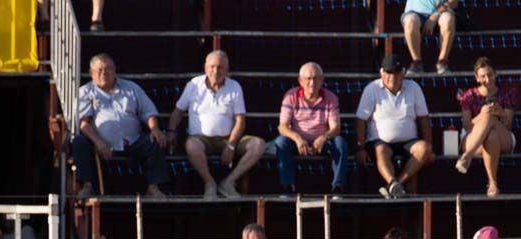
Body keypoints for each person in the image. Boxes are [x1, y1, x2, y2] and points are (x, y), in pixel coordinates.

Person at [167, 50, 264, 199]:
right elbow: (178, 112)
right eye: (212, 66)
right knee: (191, 145)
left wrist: (231, 146)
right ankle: (210, 183)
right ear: (206, 68)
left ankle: (228, 183)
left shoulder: (235, 86)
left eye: (220, 67)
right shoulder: (193, 84)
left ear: (227, 69)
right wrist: (171, 131)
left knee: (258, 144)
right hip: (201, 139)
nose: (215, 71)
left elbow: (240, 120)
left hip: (228, 138)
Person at [72, 54, 167, 200]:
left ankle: (153, 187)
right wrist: (99, 142)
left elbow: (148, 112)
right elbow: (83, 123)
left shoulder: (131, 88)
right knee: (79, 142)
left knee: (154, 141)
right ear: (91, 73)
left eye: (108, 69)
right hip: (100, 143)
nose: (104, 73)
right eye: (99, 70)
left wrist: (154, 128)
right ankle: (87, 185)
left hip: (132, 140)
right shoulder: (85, 92)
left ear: (115, 71)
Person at [355, 54, 434, 200]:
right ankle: (393, 183)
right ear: (382, 73)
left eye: (396, 73)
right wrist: (360, 147)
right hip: (379, 141)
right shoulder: (371, 89)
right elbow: (361, 120)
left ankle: (395, 185)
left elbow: (424, 119)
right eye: (389, 73)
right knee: (381, 150)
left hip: (409, 141)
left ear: (403, 73)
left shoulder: (414, 88)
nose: (393, 77)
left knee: (425, 149)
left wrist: (430, 145)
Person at [275, 62, 347, 195]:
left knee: (340, 143)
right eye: (308, 79)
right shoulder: (290, 96)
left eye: (316, 78)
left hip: (322, 142)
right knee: (281, 142)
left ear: (322, 80)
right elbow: (283, 127)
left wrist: (324, 137)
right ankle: (287, 187)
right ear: (300, 81)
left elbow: (335, 128)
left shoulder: (331, 98)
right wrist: (297, 138)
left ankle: (337, 188)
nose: (312, 83)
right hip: (298, 142)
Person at [455, 57, 517, 196]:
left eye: (490, 74)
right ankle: (493, 183)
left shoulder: (506, 94)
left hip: (503, 137)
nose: (487, 79)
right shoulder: (469, 95)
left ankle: (467, 157)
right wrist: (481, 116)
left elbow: (508, 126)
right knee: (491, 135)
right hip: (472, 136)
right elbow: (467, 125)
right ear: (477, 78)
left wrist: (500, 113)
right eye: (483, 76)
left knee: (492, 128)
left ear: (495, 73)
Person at [402, 0, 459, 75]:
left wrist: (436, 14)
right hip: (413, 13)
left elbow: (454, 2)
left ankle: (442, 62)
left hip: (440, 12)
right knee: (410, 20)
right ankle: (416, 62)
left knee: (448, 19)